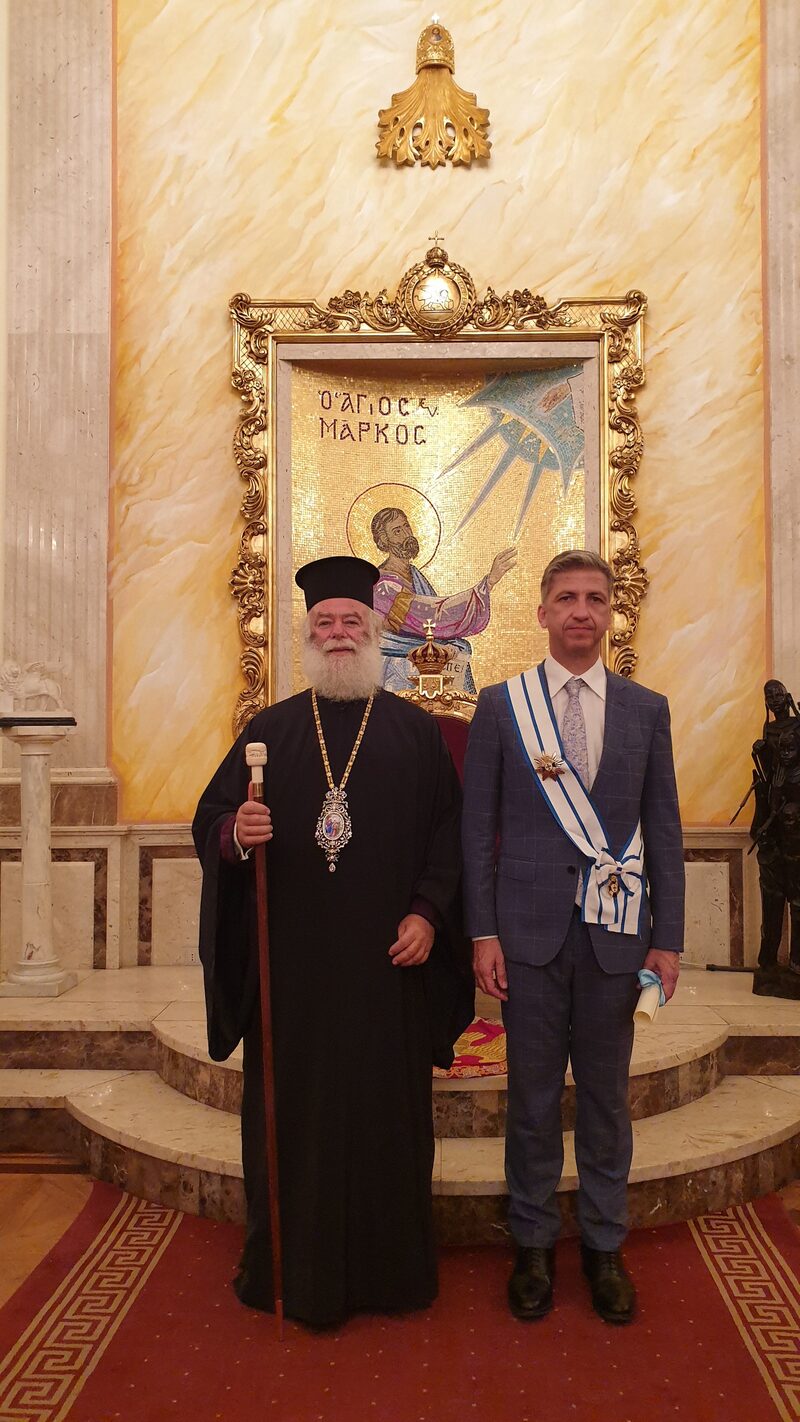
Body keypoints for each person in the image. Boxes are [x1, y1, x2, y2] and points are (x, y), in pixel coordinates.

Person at [192, 555, 472, 1329]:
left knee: (386, 1121)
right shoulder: (269, 732)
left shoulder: (415, 734)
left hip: (389, 970)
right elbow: (211, 819)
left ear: (374, 632)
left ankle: (390, 1274)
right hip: (296, 978)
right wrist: (236, 832)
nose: (339, 633)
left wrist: (427, 913)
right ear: (308, 635)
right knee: (299, 1122)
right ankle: (293, 1268)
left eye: (352, 621)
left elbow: (449, 838)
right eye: (325, 623)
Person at [461, 549, 684, 1325]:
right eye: (566, 598)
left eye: (594, 597)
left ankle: (602, 1246)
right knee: (529, 1102)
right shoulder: (502, 706)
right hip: (526, 938)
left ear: (610, 612)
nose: (581, 610)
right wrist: (482, 931)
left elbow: (664, 830)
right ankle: (531, 1244)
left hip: (616, 941)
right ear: (543, 613)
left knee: (606, 1104)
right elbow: (477, 830)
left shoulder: (647, 710)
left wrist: (668, 939)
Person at [370, 505, 516, 692]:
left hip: (425, 659)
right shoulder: (383, 585)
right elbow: (431, 616)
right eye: (397, 531)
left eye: (406, 526)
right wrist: (487, 584)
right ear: (384, 541)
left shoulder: (415, 576)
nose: (406, 534)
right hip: (398, 665)